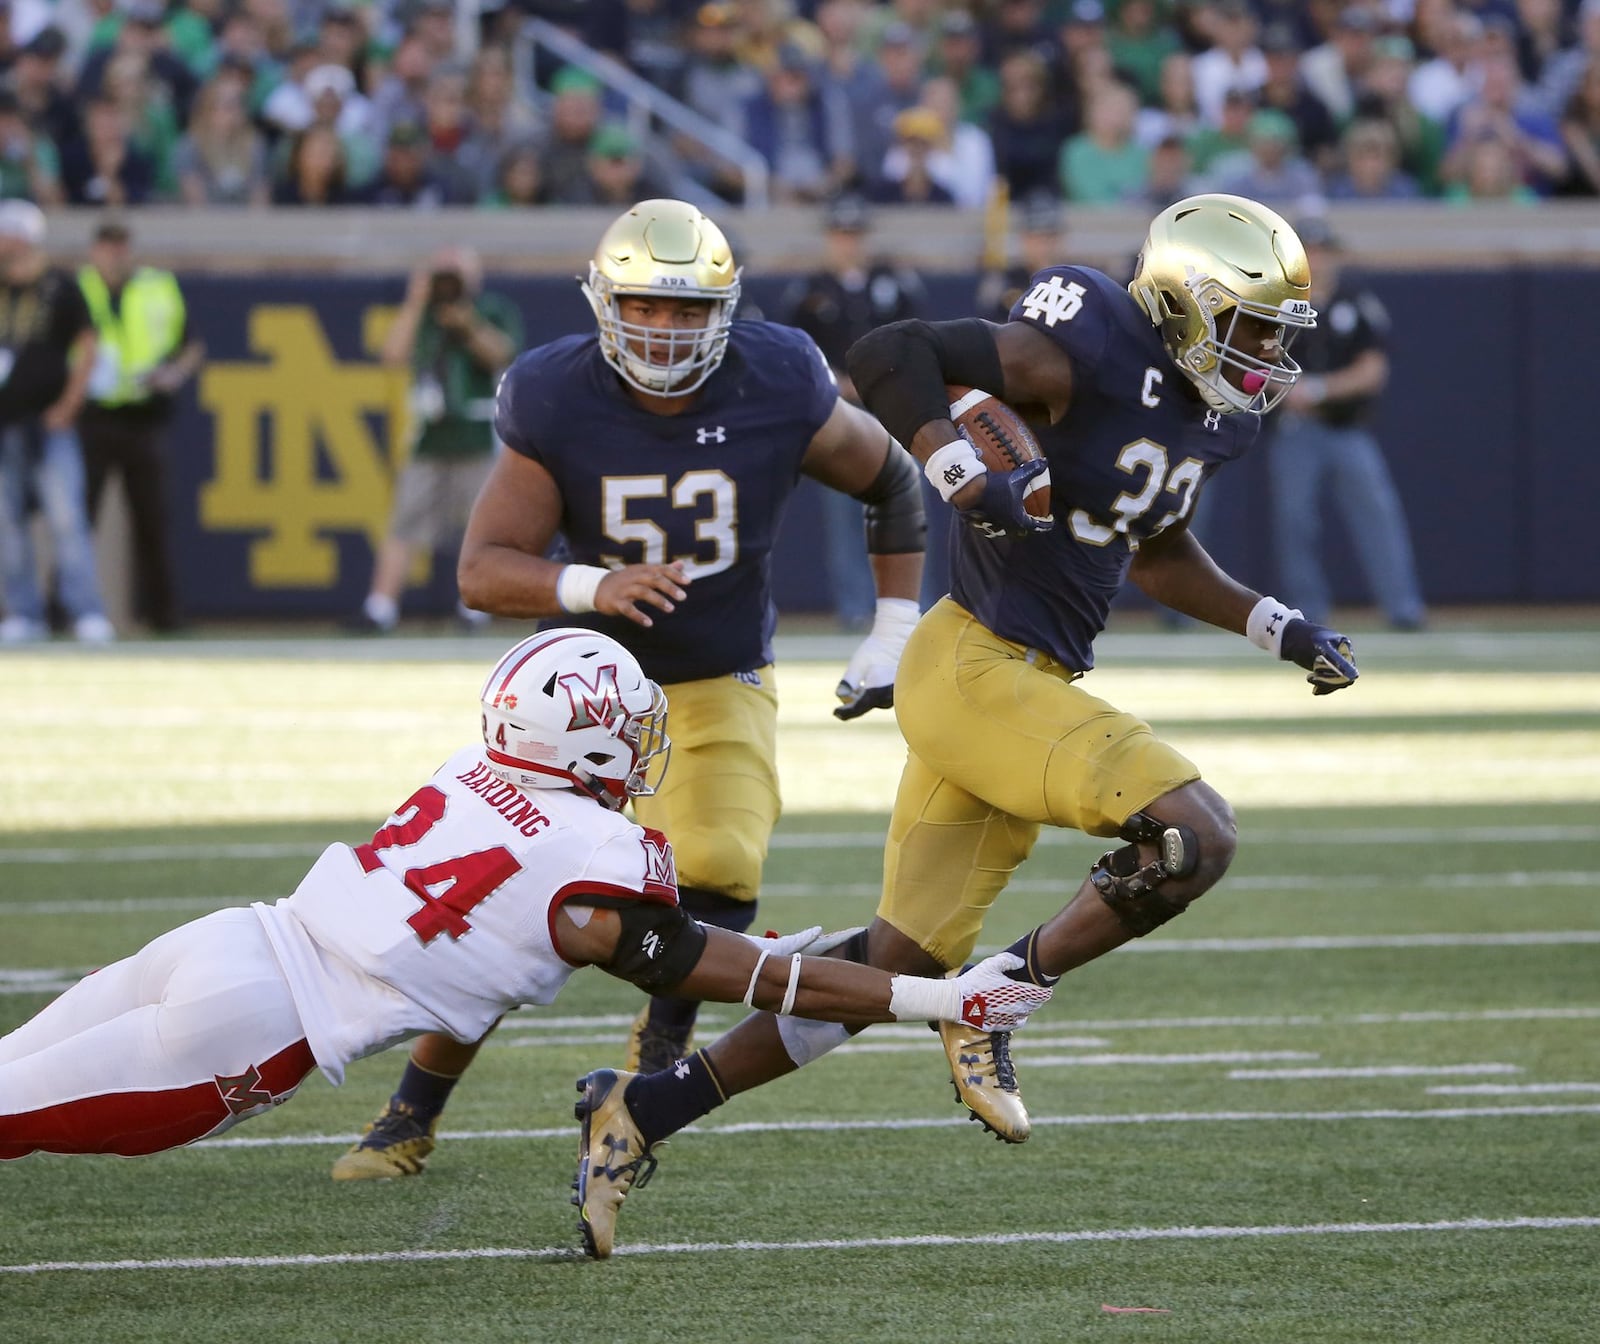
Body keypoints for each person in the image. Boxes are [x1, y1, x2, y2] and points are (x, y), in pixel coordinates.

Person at [566, 192, 1364, 1258]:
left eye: (1276, 333)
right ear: (1181, 300)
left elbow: (1155, 546)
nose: (1266, 353)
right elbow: (891, 351)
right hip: (975, 666)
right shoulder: (1082, 337)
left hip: (1016, 682)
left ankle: (643, 1108)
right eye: (1253, 326)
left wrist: (1276, 624)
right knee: (1192, 834)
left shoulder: (1206, 410)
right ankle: (999, 999)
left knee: (895, 959)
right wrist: (954, 464)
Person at [0, 628, 1051, 1188]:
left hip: (230, 938)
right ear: (589, 744)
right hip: (252, 1026)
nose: (645, 752)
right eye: (632, 731)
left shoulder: (472, 763)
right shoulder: (592, 861)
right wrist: (937, 994)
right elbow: (752, 977)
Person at [331, 198, 926, 1181]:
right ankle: (411, 1111)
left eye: (686, 310)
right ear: (605, 304)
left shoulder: (778, 376)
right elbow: (482, 570)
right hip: (578, 696)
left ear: (725, 311)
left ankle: (654, 1059)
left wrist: (893, 631)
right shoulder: (556, 394)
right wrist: (590, 585)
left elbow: (894, 482)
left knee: (723, 868)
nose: (662, 329)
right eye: (644, 307)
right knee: (504, 911)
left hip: (717, 667)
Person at [349, 246, 521, 634]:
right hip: (428, 435)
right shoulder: (423, 313)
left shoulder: (490, 309)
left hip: (476, 435)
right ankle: (381, 607)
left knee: (482, 527)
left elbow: (501, 354)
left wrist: (466, 323)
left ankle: (475, 608)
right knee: (404, 521)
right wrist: (415, 302)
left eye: (455, 274)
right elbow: (392, 354)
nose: (448, 282)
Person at [1267, 216, 1426, 630]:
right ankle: (1306, 614)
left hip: (1346, 428)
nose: (1318, 260)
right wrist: (1287, 388)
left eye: (1323, 250)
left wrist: (1318, 389)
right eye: (1310, 251)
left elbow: (1373, 371)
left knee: (1377, 513)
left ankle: (1402, 607)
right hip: (1294, 430)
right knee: (1295, 521)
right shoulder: (1276, 305)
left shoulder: (1356, 301)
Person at [779, 190, 925, 631]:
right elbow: (792, 354)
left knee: (910, 506)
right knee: (845, 513)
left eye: (855, 233)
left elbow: (919, 341)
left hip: (892, 407)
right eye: (841, 233)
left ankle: (918, 601)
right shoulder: (809, 291)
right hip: (838, 413)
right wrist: (835, 381)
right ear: (829, 237)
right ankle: (856, 605)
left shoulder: (895, 283)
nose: (848, 242)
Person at [77, 217, 204, 635]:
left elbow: (191, 346)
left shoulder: (158, 287)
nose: (115, 255)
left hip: (143, 416)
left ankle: (164, 616)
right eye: (107, 246)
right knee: (78, 521)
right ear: (95, 250)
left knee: (152, 521)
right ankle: (71, 612)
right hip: (91, 415)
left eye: (121, 246)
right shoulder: (78, 289)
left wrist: (173, 375)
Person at [0, 199, 112, 646]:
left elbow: (88, 348)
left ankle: (85, 611)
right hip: (3, 424)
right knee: (7, 523)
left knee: (66, 518)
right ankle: (24, 613)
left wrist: (68, 406)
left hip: (49, 425)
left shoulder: (61, 287)